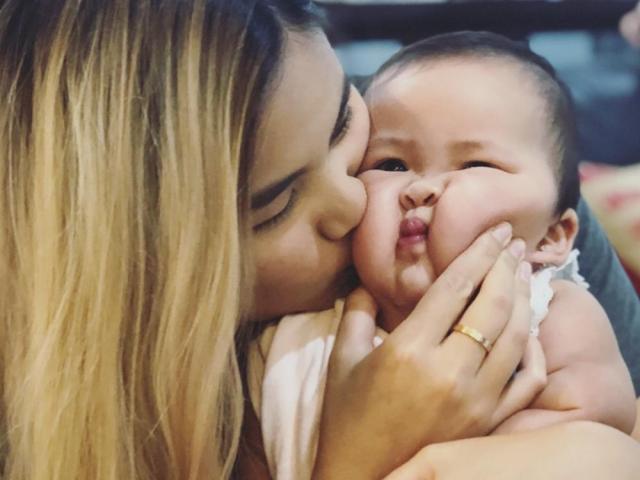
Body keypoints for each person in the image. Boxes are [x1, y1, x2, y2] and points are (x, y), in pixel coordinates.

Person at [0, 2, 638, 480]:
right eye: (276, 205)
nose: (357, 198)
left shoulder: (523, 224)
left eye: (342, 126)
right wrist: (357, 463)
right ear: (145, 269)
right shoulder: (226, 386)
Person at [243, 32, 637, 479]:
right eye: (391, 165)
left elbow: (601, 410)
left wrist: (472, 445)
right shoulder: (287, 341)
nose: (420, 188)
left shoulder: (549, 311)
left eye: (475, 165)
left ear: (551, 237)